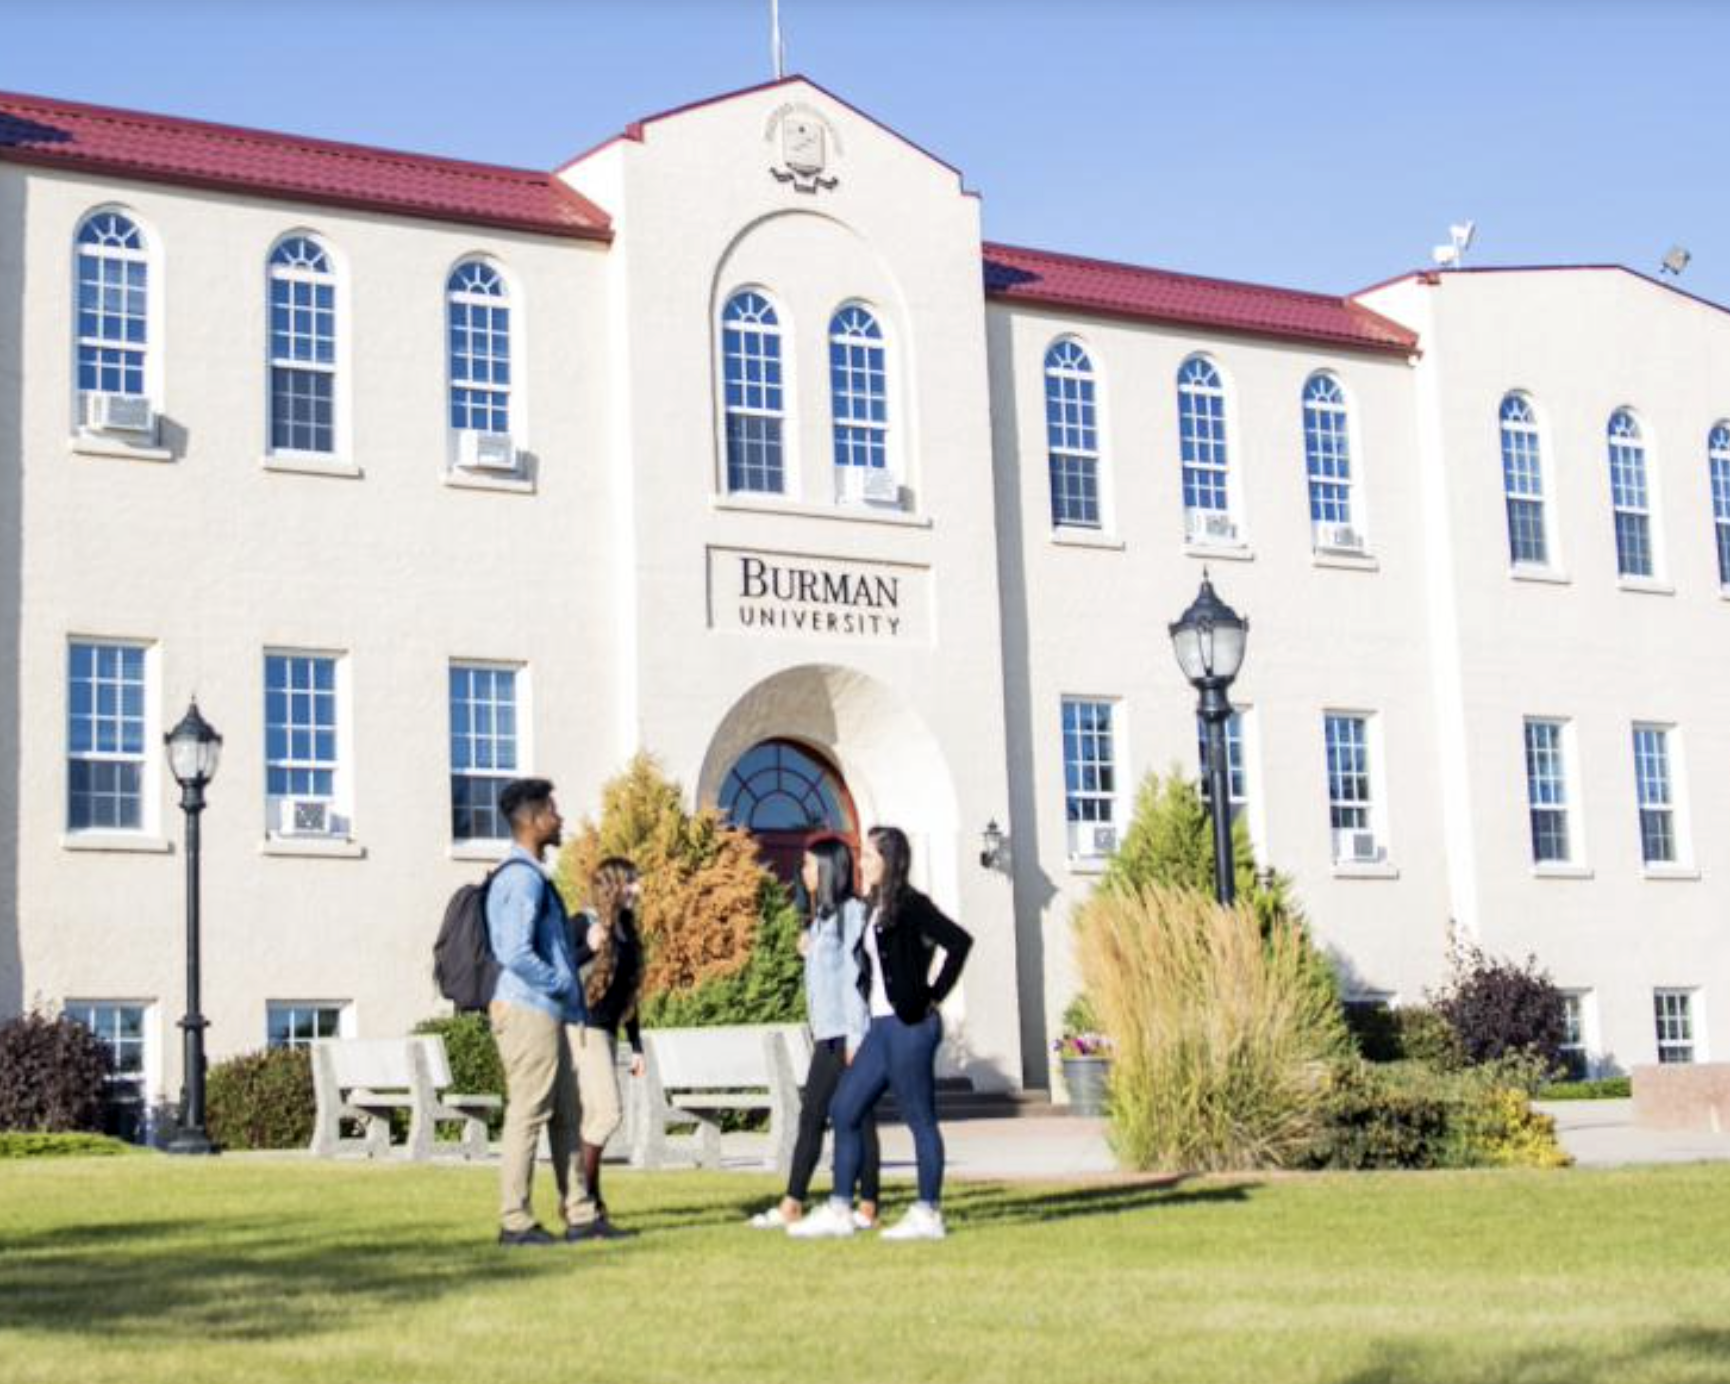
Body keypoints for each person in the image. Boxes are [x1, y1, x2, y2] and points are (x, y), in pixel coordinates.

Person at [790, 825, 972, 1243]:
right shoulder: (870, 906)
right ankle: (839, 1209)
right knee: (845, 1107)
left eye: (869, 857)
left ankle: (927, 1213)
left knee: (920, 1119)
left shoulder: (912, 905)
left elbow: (959, 942)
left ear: (888, 861)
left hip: (910, 1026)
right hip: (879, 1029)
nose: (863, 863)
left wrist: (932, 997)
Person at [748, 836, 880, 1231]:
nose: (802, 872)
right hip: (830, 1034)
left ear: (827, 869)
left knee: (833, 1117)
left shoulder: (851, 913)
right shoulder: (824, 918)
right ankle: (855, 1204)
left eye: (808, 865)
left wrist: (856, 1038)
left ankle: (842, 1204)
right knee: (840, 1117)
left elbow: (855, 978)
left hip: (846, 1035)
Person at [485, 777, 583, 1247]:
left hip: (545, 1010)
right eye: (553, 811)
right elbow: (515, 951)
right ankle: (515, 1220)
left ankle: (581, 1213)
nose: (559, 818)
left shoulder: (533, 874)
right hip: (529, 1009)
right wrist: (560, 982)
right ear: (533, 820)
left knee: (567, 1113)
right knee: (529, 1112)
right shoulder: (521, 878)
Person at [565, 856, 646, 1239]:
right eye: (632, 883)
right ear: (613, 885)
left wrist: (637, 1046)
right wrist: (587, 949)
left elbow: (630, 992)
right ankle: (585, 1203)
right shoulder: (584, 922)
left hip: (608, 1031)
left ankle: (585, 1206)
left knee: (595, 1117)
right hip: (583, 1028)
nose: (639, 890)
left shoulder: (627, 930)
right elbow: (556, 967)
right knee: (608, 1114)